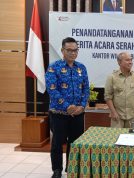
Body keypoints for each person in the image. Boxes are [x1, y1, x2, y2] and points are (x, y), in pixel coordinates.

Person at [45, 37, 89, 178]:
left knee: (75, 142)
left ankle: (72, 168)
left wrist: (82, 106)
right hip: (59, 113)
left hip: (78, 113)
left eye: (75, 50)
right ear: (63, 50)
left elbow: (86, 89)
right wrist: (66, 106)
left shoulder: (81, 67)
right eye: (69, 50)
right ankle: (57, 170)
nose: (72, 53)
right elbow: (52, 89)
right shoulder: (54, 67)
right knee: (57, 143)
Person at [104, 52, 134, 128]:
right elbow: (108, 97)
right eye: (127, 60)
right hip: (117, 116)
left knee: (131, 138)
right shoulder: (112, 77)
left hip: (132, 116)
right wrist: (113, 112)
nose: (130, 62)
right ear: (119, 62)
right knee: (116, 138)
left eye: (131, 60)